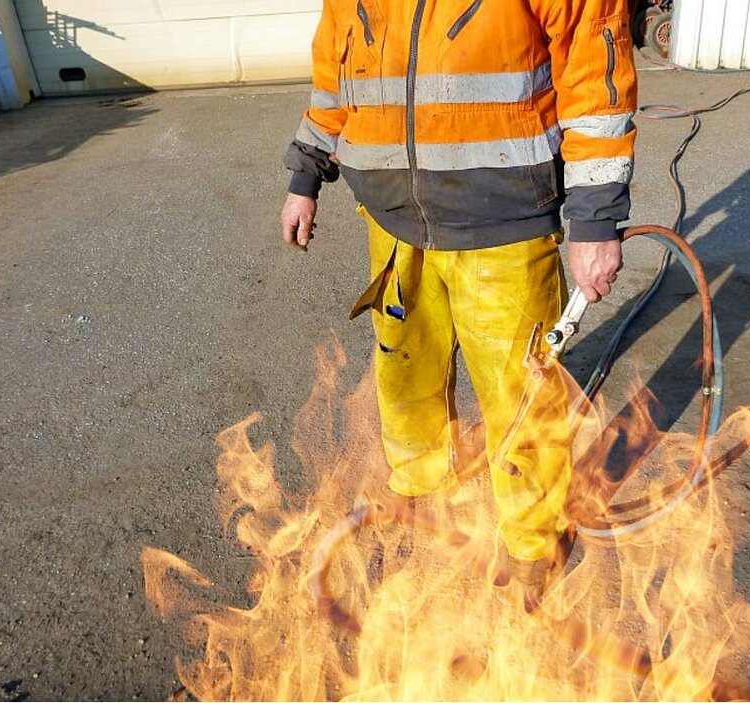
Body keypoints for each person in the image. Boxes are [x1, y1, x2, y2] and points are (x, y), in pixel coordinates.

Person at [280, 0, 637, 609]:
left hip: (505, 221)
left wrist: (595, 220)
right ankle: (418, 487)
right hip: (393, 220)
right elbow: (334, 77)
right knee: (404, 369)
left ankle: (535, 541)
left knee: (518, 393)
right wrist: (304, 178)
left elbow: (592, 75)